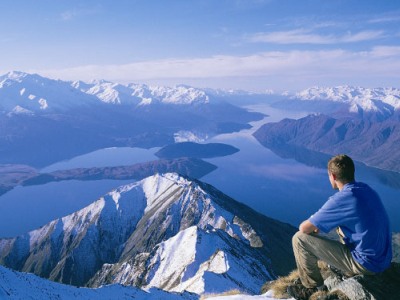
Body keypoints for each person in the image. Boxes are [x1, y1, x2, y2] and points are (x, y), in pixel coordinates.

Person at [287, 154, 392, 300]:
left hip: (367, 264)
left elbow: (304, 228)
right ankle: (348, 270)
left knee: (299, 239)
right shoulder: (366, 189)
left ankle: (312, 288)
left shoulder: (342, 200)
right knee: (340, 225)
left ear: (333, 176)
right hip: (383, 259)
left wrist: (315, 226)